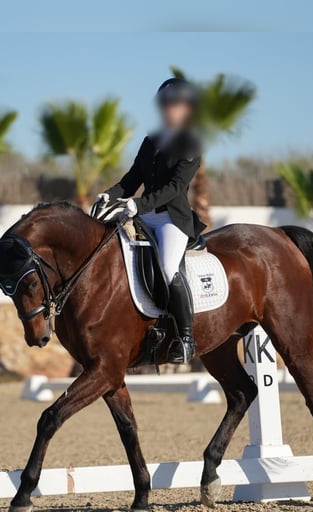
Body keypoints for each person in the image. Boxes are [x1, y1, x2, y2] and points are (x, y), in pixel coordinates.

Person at [98, 77, 206, 363]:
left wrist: (138, 204)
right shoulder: (150, 142)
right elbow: (131, 180)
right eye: (166, 105)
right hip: (144, 215)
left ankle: (185, 338)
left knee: (169, 268)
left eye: (176, 105)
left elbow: (175, 188)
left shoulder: (192, 143)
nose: (169, 110)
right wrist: (109, 196)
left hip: (172, 219)